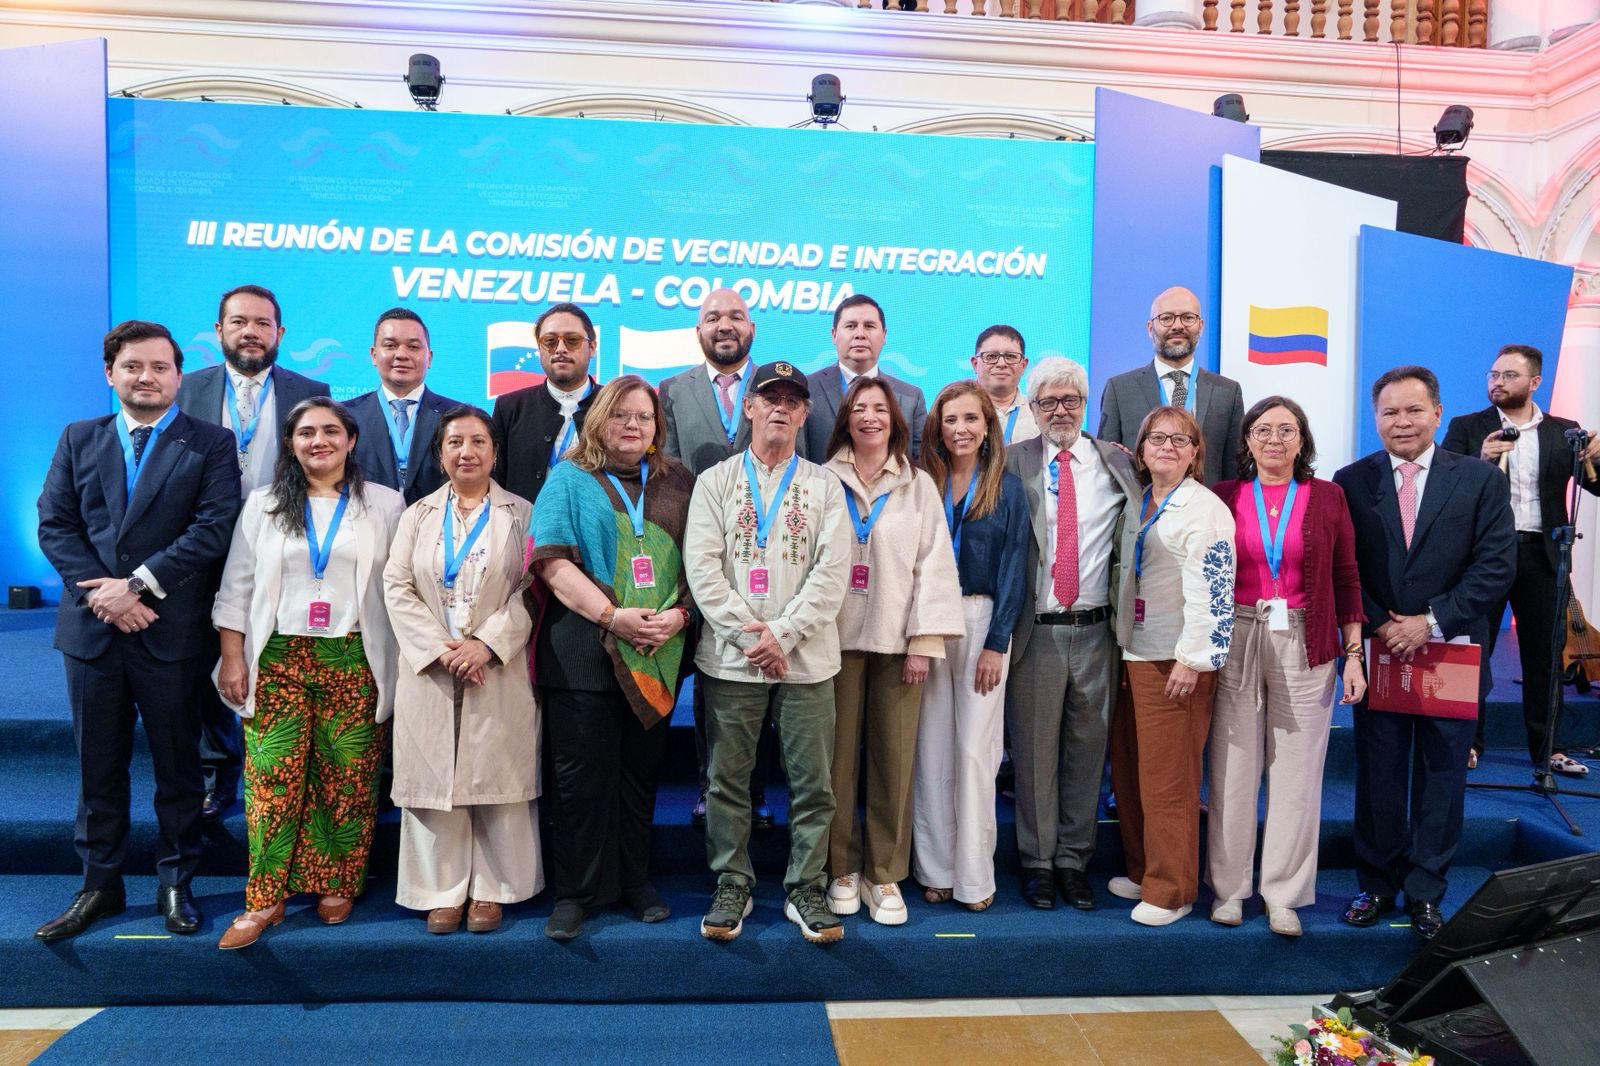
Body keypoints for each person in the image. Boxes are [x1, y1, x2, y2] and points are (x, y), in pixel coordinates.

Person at [35, 321, 241, 941]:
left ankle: (176, 881)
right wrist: (105, 597)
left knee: (179, 769)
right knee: (98, 768)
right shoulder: (79, 437)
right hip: (93, 631)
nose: (145, 377)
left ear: (179, 376)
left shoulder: (211, 442)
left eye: (158, 367)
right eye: (132, 366)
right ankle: (99, 884)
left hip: (170, 631)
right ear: (110, 374)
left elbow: (213, 527)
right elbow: (55, 525)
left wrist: (139, 585)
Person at [211, 397, 405, 949]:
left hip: (354, 656)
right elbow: (236, 585)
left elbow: (399, 584)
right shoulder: (265, 503)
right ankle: (265, 897)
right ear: (291, 443)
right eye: (306, 433)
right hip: (278, 658)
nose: (318, 441)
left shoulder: (386, 503)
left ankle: (336, 882)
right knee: (272, 782)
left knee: (348, 780)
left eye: (330, 431)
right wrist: (232, 656)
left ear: (350, 440)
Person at [1335, 365, 1515, 940]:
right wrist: (1384, 624)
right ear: (1375, 419)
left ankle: (1426, 893)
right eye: (1390, 412)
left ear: (1438, 413)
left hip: (1452, 650)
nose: (1402, 421)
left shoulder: (1480, 480)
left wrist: (1431, 620)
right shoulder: (1350, 481)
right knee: (1379, 775)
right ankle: (1376, 885)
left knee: (1442, 777)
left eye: (1414, 410)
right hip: (1381, 647)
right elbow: (1344, 567)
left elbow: (1496, 566)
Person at [685, 361, 851, 944]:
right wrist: (753, 639)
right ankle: (733, 881)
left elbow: (833, 573)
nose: (780, 407)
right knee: (726, 780)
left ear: (805, 414)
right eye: (769, 397)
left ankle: (806, 887)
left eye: (792, 400)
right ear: (749, 408)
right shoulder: (715, 481)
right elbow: (702, 570)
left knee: (813, 785)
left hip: (806, 662)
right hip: (732, 662)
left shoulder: (825, 485)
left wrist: (783, 636)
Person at [530, 376, 696, 941]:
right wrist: (612, 617)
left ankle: (635, 881)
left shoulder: (678, 481)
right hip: (585, 651)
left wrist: (681, 616)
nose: (633, 425)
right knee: (580, 781)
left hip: (657, 651)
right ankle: (575, 894)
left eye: (644, 417)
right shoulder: (569, 477)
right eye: (622, 414)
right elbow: (552, 564)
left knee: (639, 776)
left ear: (657, 426)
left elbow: (703, 559)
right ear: (599, 418)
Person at [1207, 396, 1366, 938]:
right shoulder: (1224, 495)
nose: (1274, 440)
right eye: (1263, 430)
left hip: (1307, 637)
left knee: (1297, 773)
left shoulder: (1329, 496)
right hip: (1237, 634)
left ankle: (1283, 895)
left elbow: (1346, 576)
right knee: (1232, 769)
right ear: (1247, 441)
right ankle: (1229, 890)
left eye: (1286, 430)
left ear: (1302, 441)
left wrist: (1353, 655)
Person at [383, 405, 542, 935]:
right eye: (455, 442)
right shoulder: (417, 515)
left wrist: (486, 645)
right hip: (431, 665)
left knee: (498, 773)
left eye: (478, 441)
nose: (466, 452)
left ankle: (495, 888)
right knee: (433, 779)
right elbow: (396, 586)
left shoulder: (522, 513)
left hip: (496, 665)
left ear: (495, 452)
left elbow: (533, 588)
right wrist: (442, 649)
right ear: (440, 454)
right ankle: (440, 891)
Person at [177, 283, 330, 824]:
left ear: (279, 333)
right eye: (239, 322)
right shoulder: (186, 389)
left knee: (271, 655)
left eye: (262, 323)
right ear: (219, 330)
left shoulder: (311, 389)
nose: (251, 332)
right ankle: (219, 771)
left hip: (279, 548)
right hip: (199, 548)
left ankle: (283, 764)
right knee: (204, 659)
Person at [822, 376, 962, 926]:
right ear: (846, 418)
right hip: (832, 645)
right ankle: (841, 868)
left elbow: (935, 564)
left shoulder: (918, 485)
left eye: (880, 408)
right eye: (859, 408)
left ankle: (884, 874)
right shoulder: (821, 480)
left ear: (895, 420)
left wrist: (924, 642)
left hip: (899, 643)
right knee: (835, 765)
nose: (870, 417)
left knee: (894, 763)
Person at [1004, 357, 1141, 911]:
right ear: (1032, 408)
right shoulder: (1010, 461)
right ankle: (1038, 862)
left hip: (1097, 630)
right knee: (1034, 754)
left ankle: (1073, 860)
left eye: (1070, 401)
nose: (1060, 411)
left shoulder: (1118, 462)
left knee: (1087, 753)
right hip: (1036, 630)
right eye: (1048, 402)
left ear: (1085, 405)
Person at [1441, 344, 1600, 774]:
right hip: (1484, 557)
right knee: (1474, 651)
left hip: (1542, 554)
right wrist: (1480, 461)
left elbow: (1596, 485)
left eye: (1509, 375)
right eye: (1493, 374)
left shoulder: (1565, 431)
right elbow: (1444, 487)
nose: (1497, 382)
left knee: (1545, 656)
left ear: (1534, 382)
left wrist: (1598, 458)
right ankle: (1468, 742)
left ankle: (1549, 749)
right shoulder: (1467, 427)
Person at [1108, 405, 1236, 926]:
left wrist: (1194, 661)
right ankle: (1145, 870)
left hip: (1175, 661)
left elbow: (1216, 592)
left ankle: (1173, 890)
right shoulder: (1140, 500)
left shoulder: (1204, 509)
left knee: (1169, 782)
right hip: (1132, 652)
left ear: (1195, 453)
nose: (1167, 447)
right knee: (1133, 773)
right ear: (1140, 450)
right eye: (1157, 438)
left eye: (1180, 440)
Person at [658, 288, 779, 831]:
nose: (724, 325)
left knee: (762, 675)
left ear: (751, 327)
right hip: (698, 555)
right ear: (699, 331)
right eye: (712, 317)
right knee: (710, 675)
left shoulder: (777, 388)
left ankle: (755, 789)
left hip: (772, 557)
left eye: (735, 316)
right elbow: (666, 473)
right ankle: (711, 788)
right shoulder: (672, 390)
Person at [912, 381, 1029, 912]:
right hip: (928, 620)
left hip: (982, 619)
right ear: (937, 428)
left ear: (988, 427)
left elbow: (1014, 568)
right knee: (931, 747)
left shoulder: (1008, 488)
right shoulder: (923, 483)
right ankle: (935, 869)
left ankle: (974, 878)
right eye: (950, 420)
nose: (960, 429)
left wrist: (996, 643)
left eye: (970, 419)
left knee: (976, 752)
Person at [1097, 286, 1244, 487]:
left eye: (1187, 318)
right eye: (1166, 318)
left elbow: (1233, 472)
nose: (1177, 326)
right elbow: (1107, 465)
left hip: (1206, 504)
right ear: (1150, 328)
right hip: (1142, 504)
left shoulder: (1228, 392)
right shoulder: (1120, 389)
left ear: (1201, 326)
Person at [347, 307, 464, 505]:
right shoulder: (346, 416)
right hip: (364, 520)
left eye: (413, 347)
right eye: (390, 345)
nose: (401, 354)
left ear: (429, 358)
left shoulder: (457, 417)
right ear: (373, 355)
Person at [490, 302, 600, 507]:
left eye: (572, 340)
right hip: (527, 523)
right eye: (550, 341)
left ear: (592, 347)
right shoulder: (510, 407)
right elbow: (495, 480)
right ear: (539, 349)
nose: (560, 349)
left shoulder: (615, 405)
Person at [800, 294, 928, 462]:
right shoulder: (806, 389)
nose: (860, 334)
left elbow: (921, 464)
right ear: (834, 334)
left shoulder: (911, 397)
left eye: (869, 326)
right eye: (851, 326)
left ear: (884, 335)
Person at [971, 325, 1038, 445]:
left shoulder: (1039, 411)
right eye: (991, 356)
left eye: (1010, 356)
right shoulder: (954, 410)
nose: (1001, 364)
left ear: (1023, 365)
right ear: (975, 364)